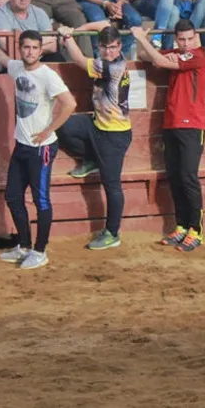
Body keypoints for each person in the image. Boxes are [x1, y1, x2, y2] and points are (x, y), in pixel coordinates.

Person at [0, 27, 77, 269]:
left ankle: (40, 250)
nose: (30, 51)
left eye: (35, 48)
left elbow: (70, 104)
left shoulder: (48, 76)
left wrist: (50, 129)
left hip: (42, 147)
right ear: (21, 48)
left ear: (40, 51)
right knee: (13, 196)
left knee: (41, 200)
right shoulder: (17, 68)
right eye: (26, 47)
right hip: (23, 145)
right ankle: (24, 245)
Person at [130, 21, 205, 252]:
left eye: (189, 39)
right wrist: (141, 37)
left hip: (192, 125)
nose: (186, 44)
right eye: (181, 40)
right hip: (172, 123)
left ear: (196, 37)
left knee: (188, 177)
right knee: (175, 178)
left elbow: (158, 60)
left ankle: (196, 229)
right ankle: (182, 225)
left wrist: (141, 37)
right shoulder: (178, 54)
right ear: (176, 39)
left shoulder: (199, 55)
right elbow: (145, 56)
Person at [55, 22, 134, 251]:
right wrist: (78, 28)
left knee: (111, 185)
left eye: (112, 47)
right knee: (63, 126)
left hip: (114, 135)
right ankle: (91, 159)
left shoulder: (113, 67)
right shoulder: (111, 62)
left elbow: (80, 60)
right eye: (104, 47)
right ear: (99, 46)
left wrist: (68, 37)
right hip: (99, 124)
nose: (108, 51)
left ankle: (112, 232)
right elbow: (104, 24)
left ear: (119, 47)